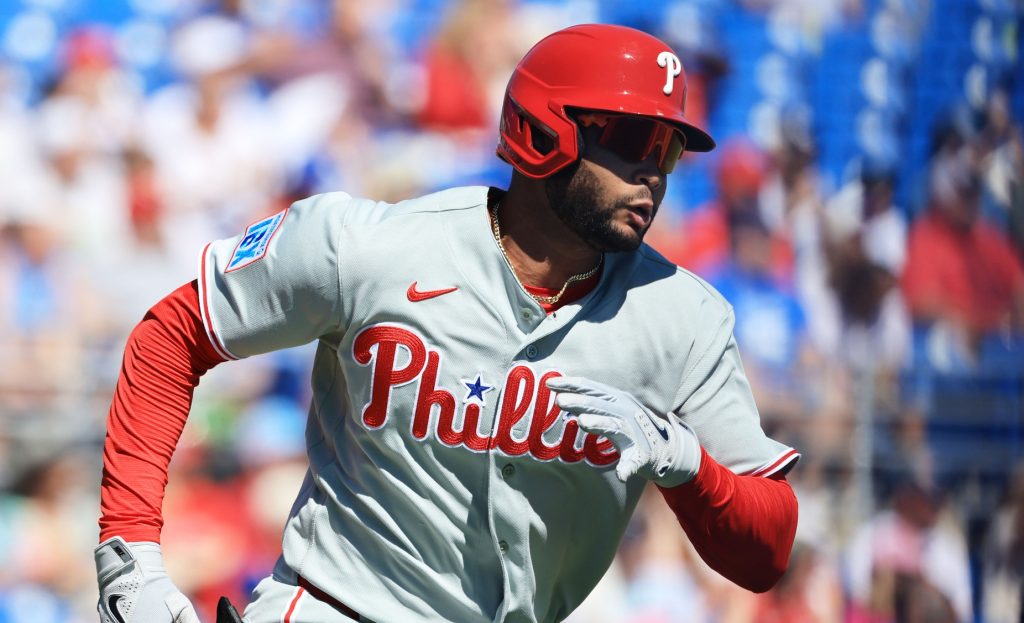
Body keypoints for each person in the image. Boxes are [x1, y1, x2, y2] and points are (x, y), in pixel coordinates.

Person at [94, 24, 800, 623]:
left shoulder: (686, 319)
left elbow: (766, 553)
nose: (654, 173)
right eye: (632, 139)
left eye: (668, 149)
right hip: (336, 605)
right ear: (543, 132)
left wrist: (687, 466)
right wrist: (132, 549)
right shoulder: (370, 246)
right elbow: (174, 333)